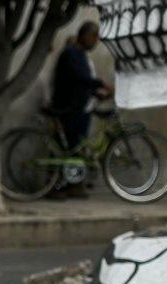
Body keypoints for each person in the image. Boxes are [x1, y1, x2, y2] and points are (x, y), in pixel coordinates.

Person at [49, 21, 114, 198]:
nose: (96, 41)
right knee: (64, 148)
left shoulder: (80, 55)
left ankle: (74, 185)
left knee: (77, 148)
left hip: (81, 108)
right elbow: (80, 77)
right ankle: (53, 187)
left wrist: (96, 93)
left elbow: (81, 83)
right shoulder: (71, 54)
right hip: (68, 108)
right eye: (94, 36)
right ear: (84, 35)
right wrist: (102, 84)